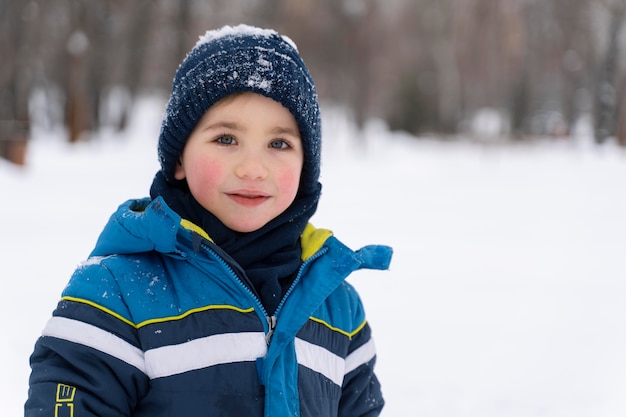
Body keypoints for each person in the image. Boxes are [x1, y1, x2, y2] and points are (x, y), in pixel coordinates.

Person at [25, 24, 393, 417]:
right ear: (180, 158)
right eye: (226, 139)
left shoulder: (337, 307)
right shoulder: (116, 294)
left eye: (279, 143)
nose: (253, 168)